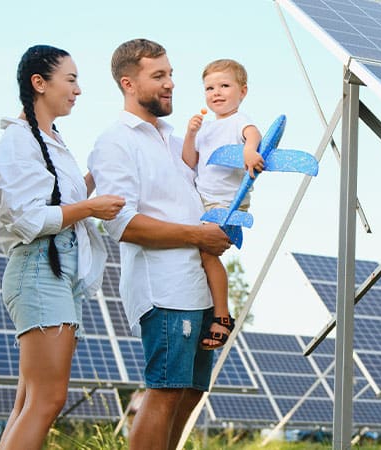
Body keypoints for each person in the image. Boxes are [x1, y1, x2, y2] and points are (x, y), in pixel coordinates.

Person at [87, 38, 233, 450]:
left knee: (189, 393)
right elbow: (121, 223)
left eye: (170, 74)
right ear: (128, 83)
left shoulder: (173, 141)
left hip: (198, 289)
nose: (170, 83)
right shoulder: (116, 141)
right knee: (166, 391)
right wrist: (196, 235)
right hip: (164, 290)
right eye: (159, 76)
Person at [0, 44, 125, 449]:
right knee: (47, 400)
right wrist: (91, 206)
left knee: (29, 401)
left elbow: (55, 197)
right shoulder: (17, 142)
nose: (78, 89)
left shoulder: (50, 141)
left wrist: (94, 180)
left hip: (57, 274)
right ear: (39, 83)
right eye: (72, 79)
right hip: (40, 271)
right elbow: (29, 218)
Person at [180, 58, 262, 351]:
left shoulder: (239, 121)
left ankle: (223, 316)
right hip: (202, 202)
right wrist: (190, 134)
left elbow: (252, 135)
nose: (216, 92)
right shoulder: (205, 129)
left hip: (227, 204)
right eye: (209, 88)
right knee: (197, 255)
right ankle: (208, 307)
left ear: (243, 91)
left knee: (206, 253)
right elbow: (189, 161)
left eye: (224, 86)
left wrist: (250, 151)